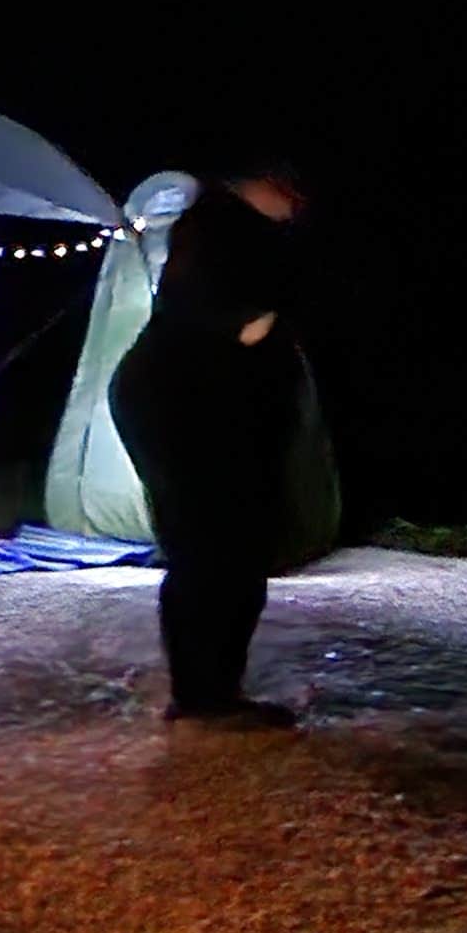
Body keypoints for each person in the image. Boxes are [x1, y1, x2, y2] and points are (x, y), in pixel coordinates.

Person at [109, 166, 320, 725]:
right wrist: (270, 315)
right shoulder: (218, 230)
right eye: (289, 193)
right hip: (183, 403)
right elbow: (238, 322)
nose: (295, 206)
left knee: (231, 549)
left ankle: (213, 690)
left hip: (204, 402)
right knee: (210, 548)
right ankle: (204, 696)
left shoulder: (237, 229)